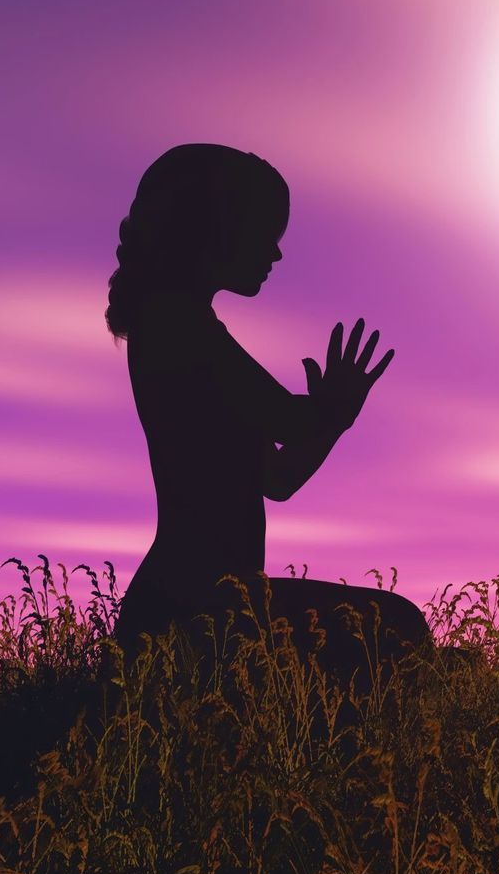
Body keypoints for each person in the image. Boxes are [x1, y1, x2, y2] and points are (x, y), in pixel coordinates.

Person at [104, 142, 432, 698]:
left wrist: (334, 417)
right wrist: (334, 408)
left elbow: (278, 480)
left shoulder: (183, 324)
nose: (276, 254)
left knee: (393, 634)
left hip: (209, 603)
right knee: (394, 629)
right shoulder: (178, 324)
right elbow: (289, 420)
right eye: (267, 232)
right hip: (194, 609)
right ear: (216, 228)